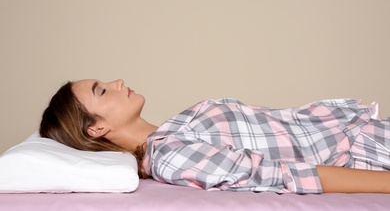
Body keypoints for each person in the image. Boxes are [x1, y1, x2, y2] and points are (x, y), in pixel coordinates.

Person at [40, 79, 390, 194]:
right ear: (96, 128)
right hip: (368, 154)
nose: (117, 82)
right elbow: (286, 176)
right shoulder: (170, 155)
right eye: (102, 91)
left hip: (369, 133)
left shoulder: (174, 130)